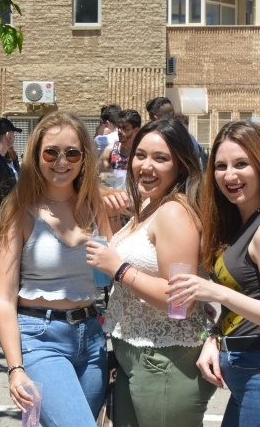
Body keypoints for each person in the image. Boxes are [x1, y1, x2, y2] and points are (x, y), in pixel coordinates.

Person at [167, 120, 260, 427]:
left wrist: (216, 293)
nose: (230, 175)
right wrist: (216, 338)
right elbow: (247, 302)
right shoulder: (240, 225)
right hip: (250, 377)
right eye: (221, 166)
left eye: (241, 164)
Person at [87, 117, 215, 426]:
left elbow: (180, 303)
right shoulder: (149, 206)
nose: (147, 166)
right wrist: (110, 218)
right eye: (141, 155)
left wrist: (120, 269)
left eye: (161, 158)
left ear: (181, 165)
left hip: (165, 359)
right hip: (134, 354)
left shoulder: (174, 212)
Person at [0, 111, 110, 424]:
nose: (62, 161)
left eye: (72, 152)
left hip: (92, 338)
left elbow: (110, 272)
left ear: (84, 157)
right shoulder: (18, 210)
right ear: (36, 155)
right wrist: (15, 368)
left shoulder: (95, 205)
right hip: (40, 338)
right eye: (51, 152)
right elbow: (3, 299)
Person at [100, 109, 142, 174]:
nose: (120, 131)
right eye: (119, 127)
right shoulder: (110, 150)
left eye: (125, 128)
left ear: (136, 130)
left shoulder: (142, 152)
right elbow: (102, 178)